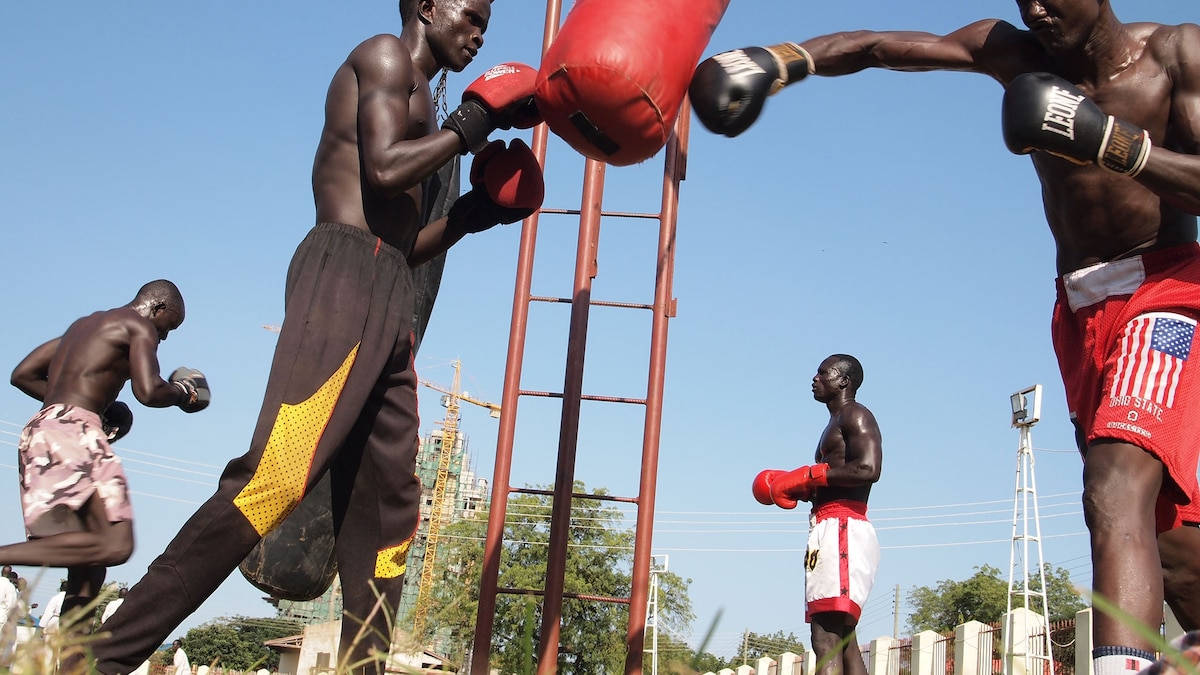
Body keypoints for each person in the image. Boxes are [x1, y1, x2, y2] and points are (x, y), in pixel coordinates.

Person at [689, 2, 1200, 671]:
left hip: (1165, 290)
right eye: (1025, 0)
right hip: (1079, 308)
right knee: (1159, 532)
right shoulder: (1018, 55)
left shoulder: (1175, 55)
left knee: (1114, 480)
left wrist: (1111, 141)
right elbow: (880, 45)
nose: (1038, 12)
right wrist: (785, 60)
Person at [90, 1, 544, 672]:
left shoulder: (425, 97)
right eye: (470, 14)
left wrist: (474, 214)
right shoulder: (384, 58)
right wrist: (471, 123)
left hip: (387, 289)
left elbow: (402, 245)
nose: (480, 34)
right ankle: (92, 656)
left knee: (390, 515)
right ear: (425, 5)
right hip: (342, 277)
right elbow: (386, 169)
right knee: (273, 478)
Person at [5, 279, 207, 636]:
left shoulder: (81, 328)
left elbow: (22, 375)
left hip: (42, 430)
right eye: (168, 327)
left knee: (90, 566)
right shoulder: (139, 326)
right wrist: (183, 393)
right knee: (116, 544)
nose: (164, 337)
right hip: (74, 434)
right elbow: (148, 390)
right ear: (157, 308)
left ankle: (71, 663)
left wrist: (94, 407)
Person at [753, 354, 882, 675]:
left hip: (843, 526)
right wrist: (800, 487)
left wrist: (812, 477)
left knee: (825, 634)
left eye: (823, 373)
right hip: (828, 525)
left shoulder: (856, 415)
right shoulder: (833, 423)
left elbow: (868, 468)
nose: (815, 378)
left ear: (843, 381)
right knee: (842, 637)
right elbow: (833, 475)